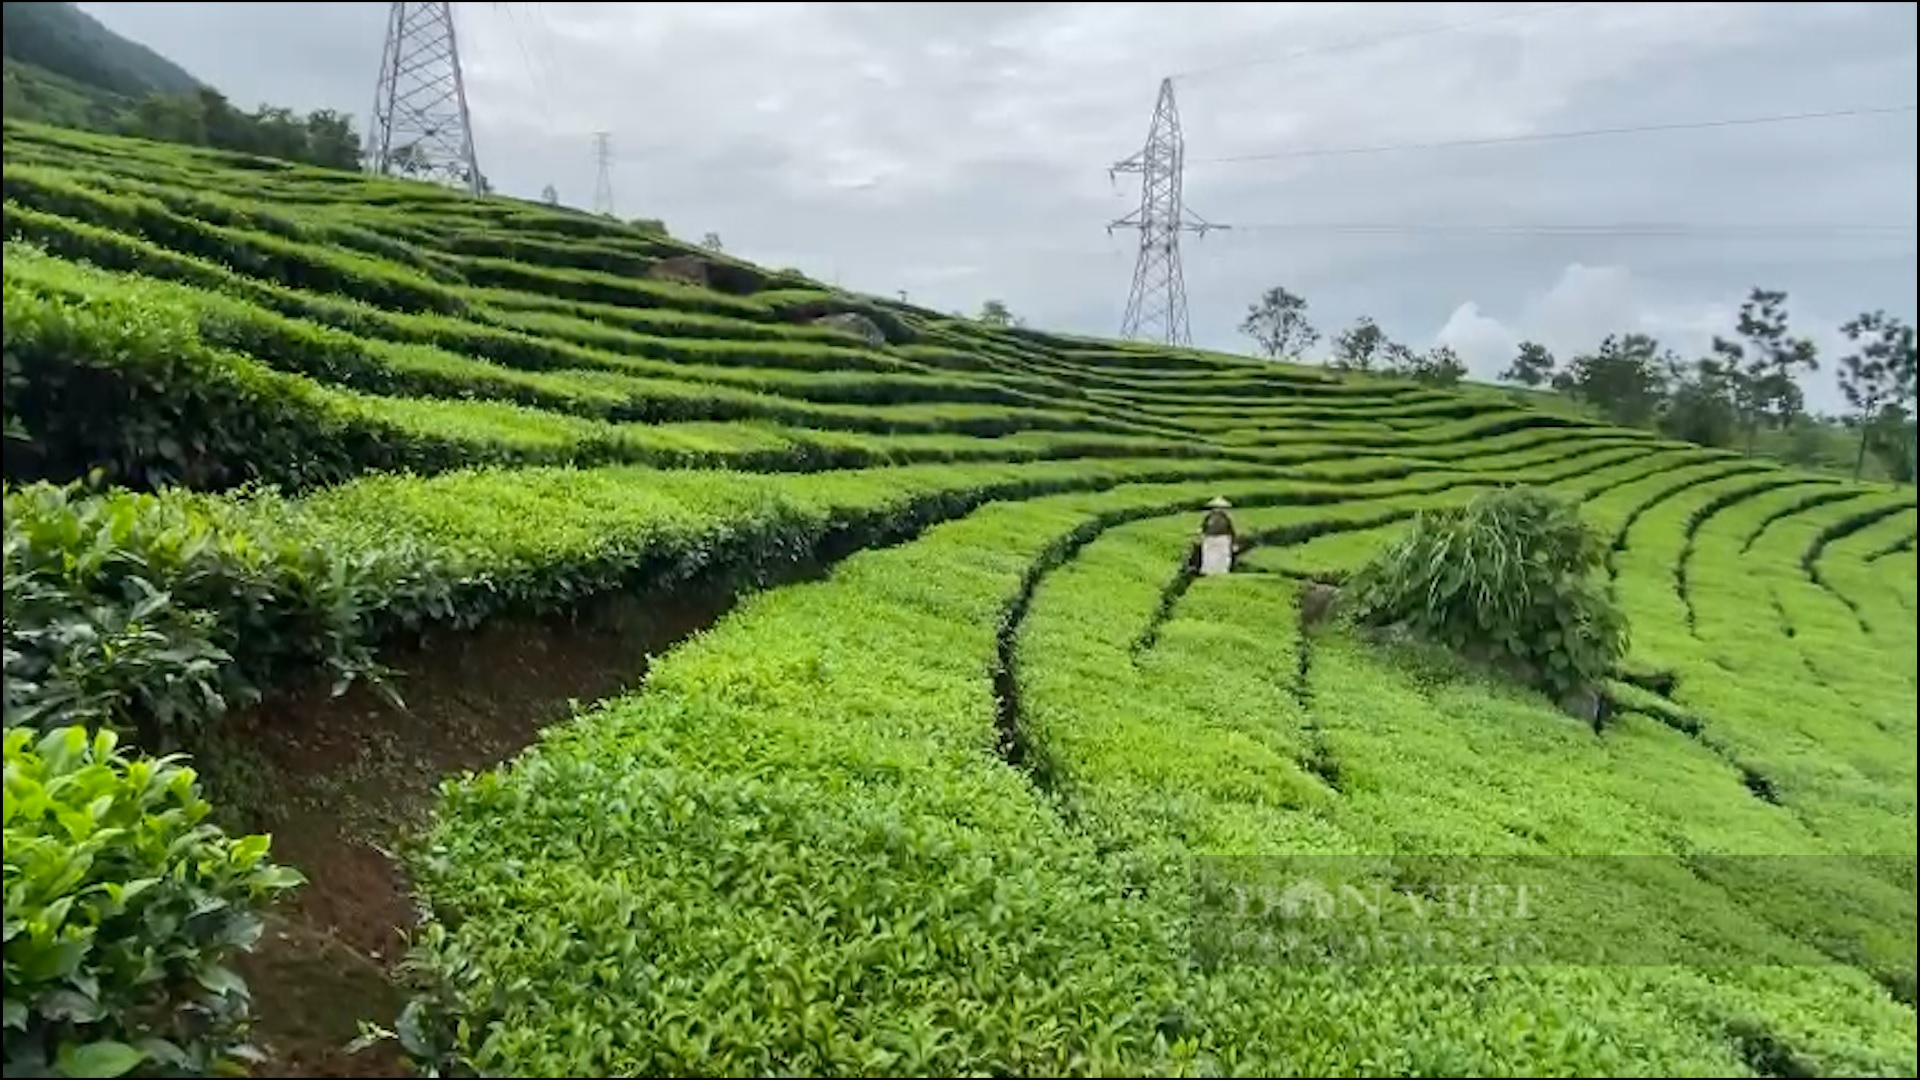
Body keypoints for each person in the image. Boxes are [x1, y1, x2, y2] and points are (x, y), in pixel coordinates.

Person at [1198, 496, 1237, 576]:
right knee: (1210, 557)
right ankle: (1209, 572)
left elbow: (1230, 530)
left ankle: (1220, 571)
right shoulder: (1209, 517)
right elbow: (1203, 528)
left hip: (1222, 540)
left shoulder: (1225, 518)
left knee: (1222, 557)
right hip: (1210, 540)